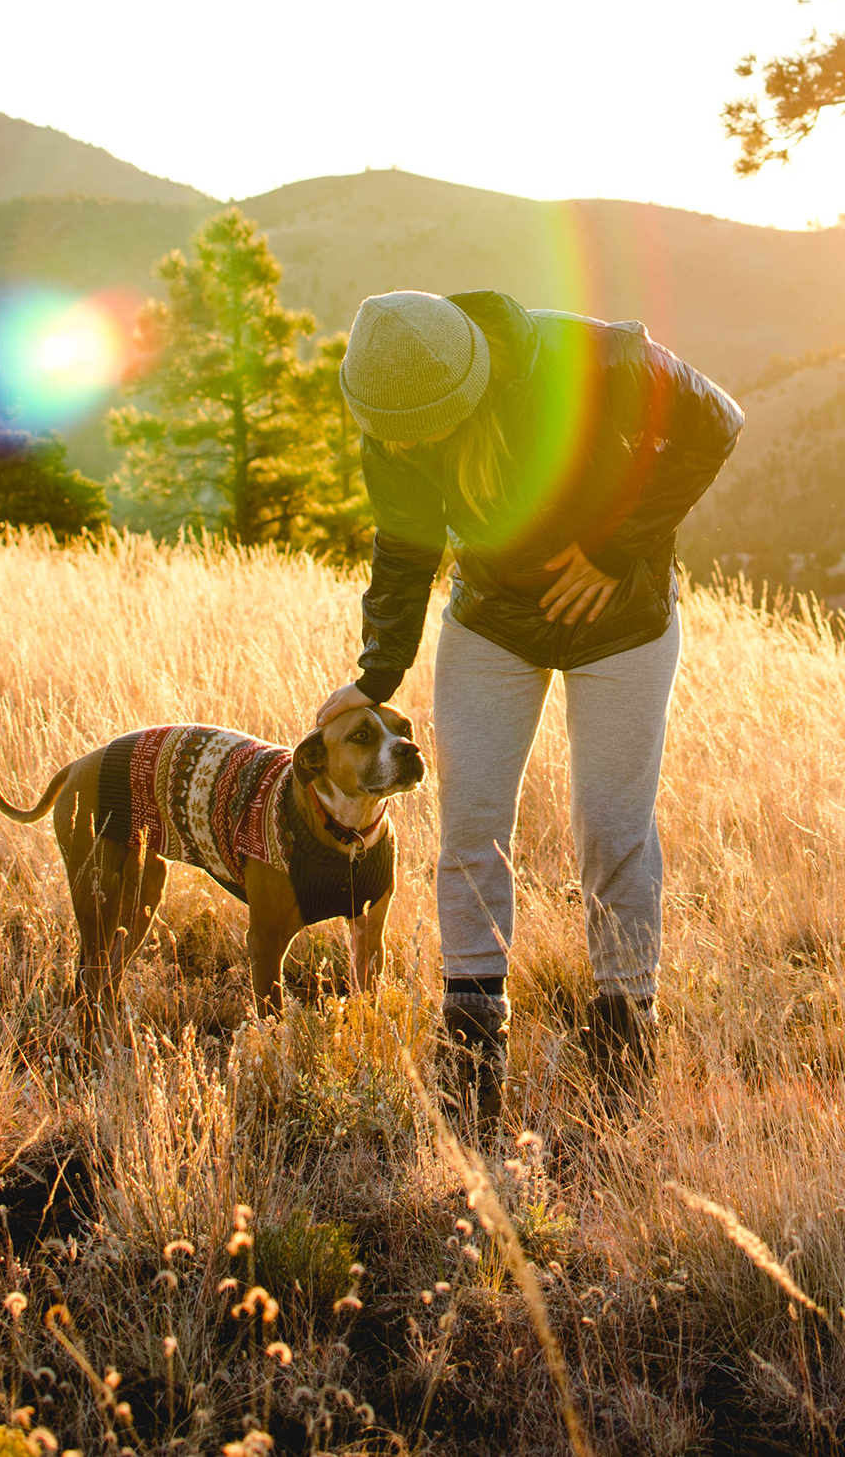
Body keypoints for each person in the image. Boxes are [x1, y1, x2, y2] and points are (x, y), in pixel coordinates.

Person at [316, 288, 743, 1113]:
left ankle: (624, 1039)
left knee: (611, 829)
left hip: (622, 622)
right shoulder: (391, 417)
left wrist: (616, 551)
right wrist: (374, 677)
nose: (400, 445)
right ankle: (472, 1047)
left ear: (464, 390)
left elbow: (716, 421)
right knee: (471, 827)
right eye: (386, 431)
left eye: (415, 429)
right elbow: (404, 552)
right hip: (493, 622)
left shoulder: (595, 364)